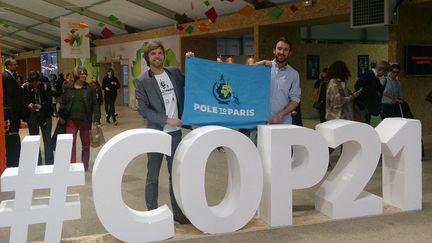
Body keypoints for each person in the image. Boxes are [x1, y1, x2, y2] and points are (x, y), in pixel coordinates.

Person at [136, 41, 191, 224]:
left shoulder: (174, 73)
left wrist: (190, 63)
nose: (157, 56)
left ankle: (177, 212)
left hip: (175, 134)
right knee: (153, 175)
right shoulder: (143, 81)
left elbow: (191, 82)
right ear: (147, 58)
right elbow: (143, 109)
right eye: (153, 54)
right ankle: (152, 212)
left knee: (174, 174)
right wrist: (166, 120)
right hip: (156, 134)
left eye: (160, 53)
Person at [59, 66, 101, 171]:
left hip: (85, 120)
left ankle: (84, 166)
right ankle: (72, 165)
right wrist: (61, 116)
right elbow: (63, 102)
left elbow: (96, 104)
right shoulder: (68, 87)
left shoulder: (90, 88)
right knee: (71, 143)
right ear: (76, 74)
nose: (85, 75)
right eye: (82, 73)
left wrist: (96, 118)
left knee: (86, 145)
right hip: (71, 120)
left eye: (85, 73)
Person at [256, 37, 301, 124]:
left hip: (283, 121)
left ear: (289, 53)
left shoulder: (294, 74)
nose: (281, 52)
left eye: (285, 50)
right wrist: (257, 64)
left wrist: (280, 115)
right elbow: (245, 77)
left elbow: (295, 99)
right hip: (260, 120)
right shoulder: (263, 68)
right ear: (274, 50)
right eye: (279, 49)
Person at [22, 71, 54, 165]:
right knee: (34, 140)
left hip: (45, 116)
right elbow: (23, 101)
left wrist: (42, 106)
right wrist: (29, 105)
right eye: (32, 82)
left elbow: (49, 102)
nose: (35, 84)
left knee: (47, 139)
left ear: (39, 80)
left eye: (36, 81)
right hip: (32, 116)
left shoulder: (46, 86)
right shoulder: (26, 87)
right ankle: (38, 163)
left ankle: (49, 162)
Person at [2, 57, 24, 167]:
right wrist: (21, 88)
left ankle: (14, 155)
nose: (16, 66)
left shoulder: (10, 76)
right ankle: (12, 158)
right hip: (11, 110)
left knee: (14, 133)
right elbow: (12, 91)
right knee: (12, 133)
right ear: (9, 65)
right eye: (14, 64)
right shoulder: (6, 76)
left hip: (13, 109)